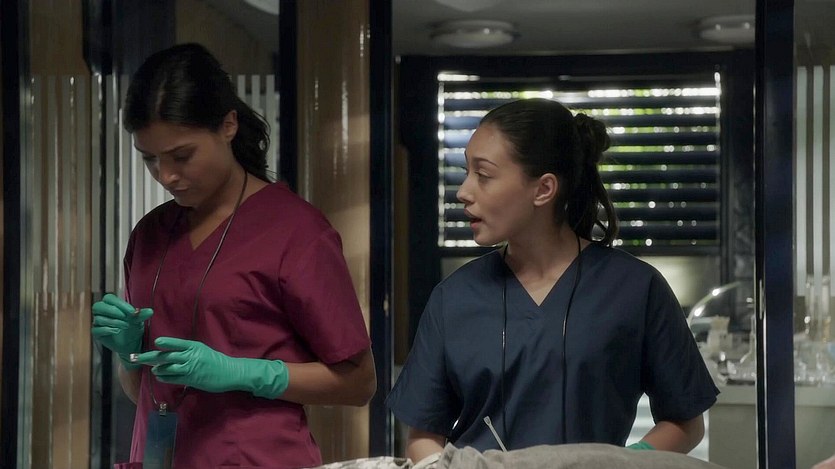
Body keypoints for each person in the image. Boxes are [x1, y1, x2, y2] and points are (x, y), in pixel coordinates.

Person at [90, 43, 376, 469]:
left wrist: (247, 373)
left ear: (228, 125)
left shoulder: (295, 232)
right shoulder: (150, 235)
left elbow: (359, 383)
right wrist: (128, 353)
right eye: (150, 159)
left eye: (182, 156)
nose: (166, 176)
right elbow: (143, 391)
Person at [386, 98, 719, 462]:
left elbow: (685, 421)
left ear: (544, 189)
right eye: (466, 172)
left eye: (483, 175)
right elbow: (422, 436)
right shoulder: (453, 297)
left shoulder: (637, 289)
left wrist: (616, 464)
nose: (463, 191)